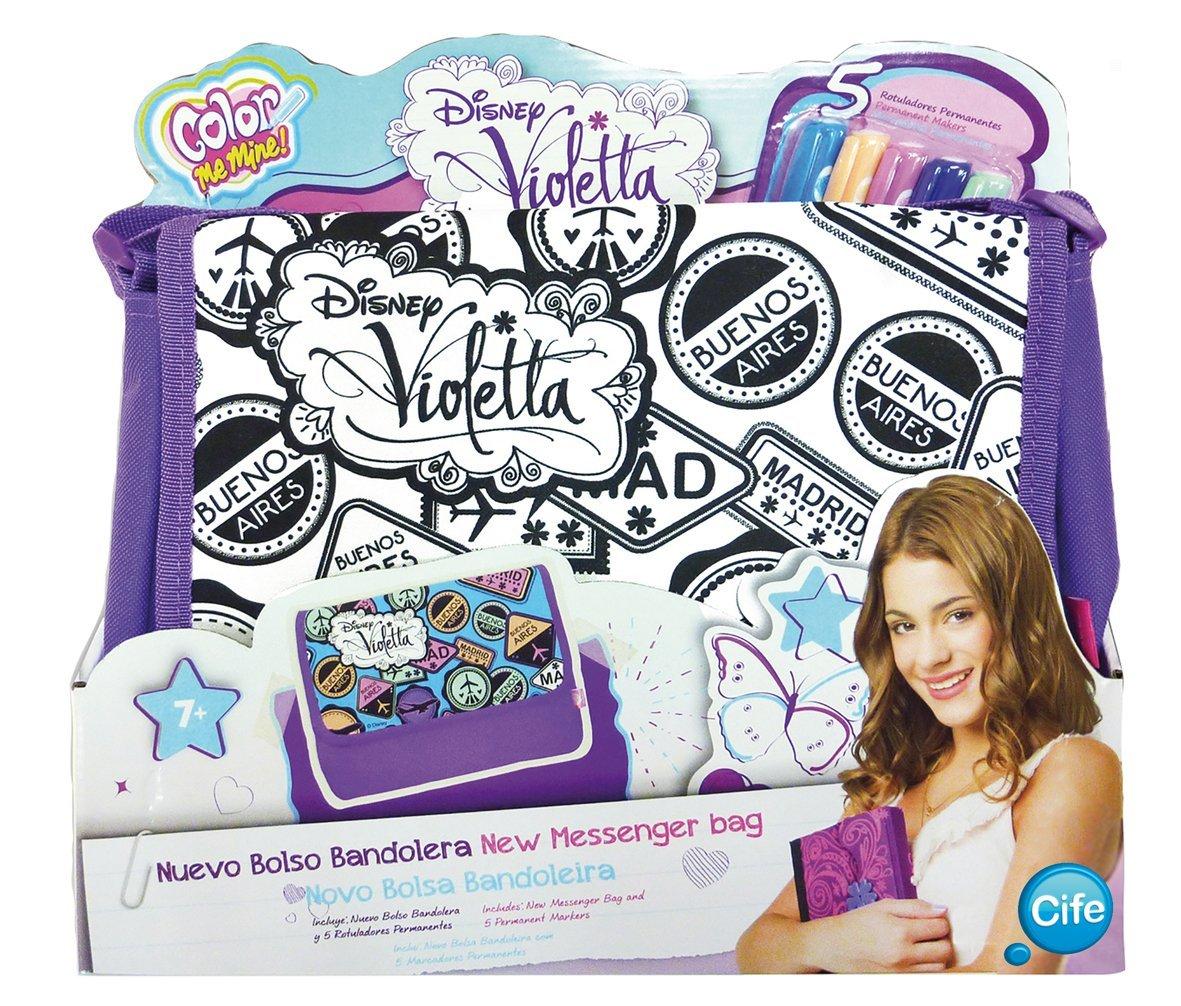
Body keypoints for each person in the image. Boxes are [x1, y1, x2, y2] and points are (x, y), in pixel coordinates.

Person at [736, 475, 1121, 973]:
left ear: (1015, 611)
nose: (929, 657)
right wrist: (832, 941)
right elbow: (756, 949)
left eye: (958, 615)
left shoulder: (1072, 769)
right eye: (904, 626)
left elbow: (1013, 979)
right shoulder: (888, 790)